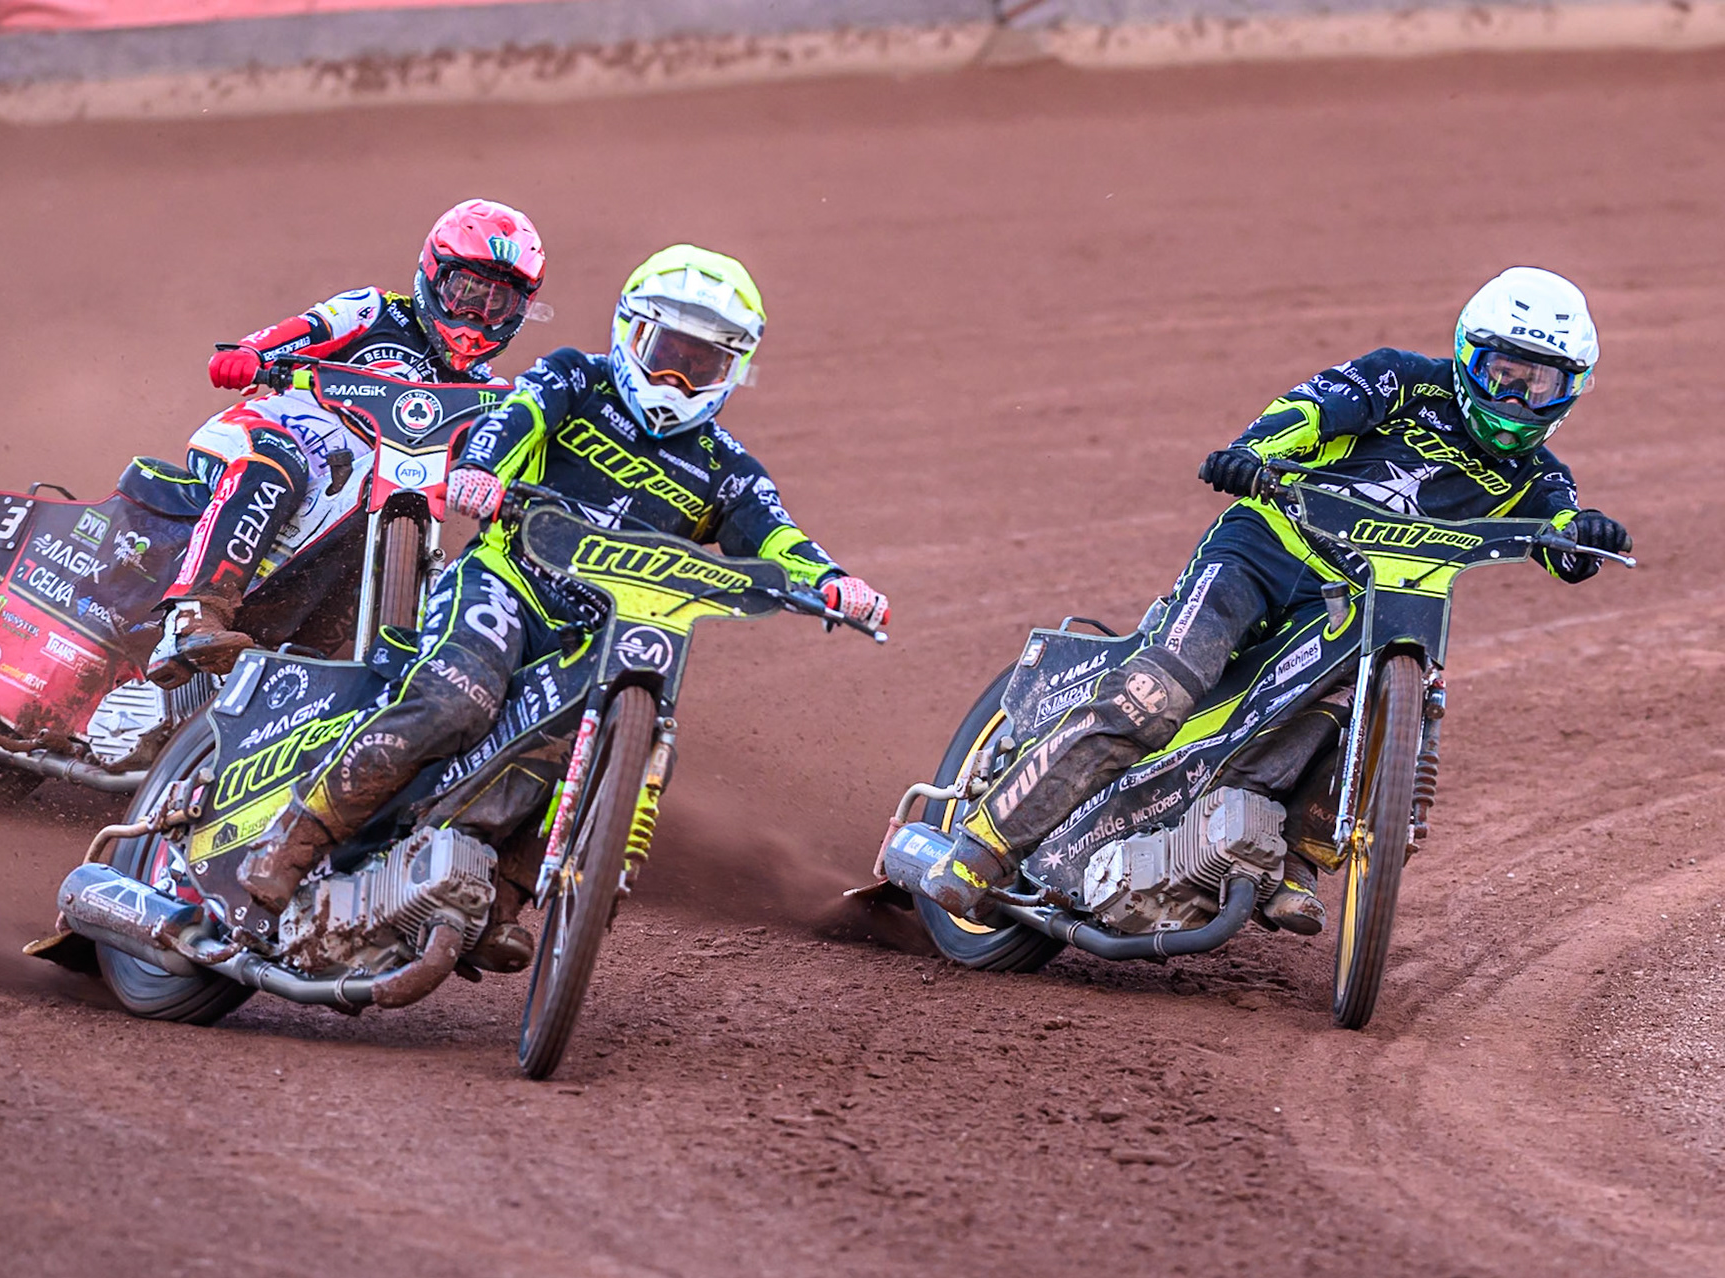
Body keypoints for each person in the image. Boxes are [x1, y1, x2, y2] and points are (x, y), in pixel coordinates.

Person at [914, 266, 1632, 932]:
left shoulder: (1539, 476)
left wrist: (1585, 535)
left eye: (1539, 385)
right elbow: (1311, 411)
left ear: (1571, 391)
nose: (1515, 399)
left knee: (1353, 705)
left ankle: (1290, 855)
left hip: (1352, 601)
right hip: (1265, 547)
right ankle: (982, 846)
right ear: (1468, 355)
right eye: (1502, 373)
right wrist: (1254, 450)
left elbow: (1562, 536)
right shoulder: (1404, 379)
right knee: (1157, 695)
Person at [235, 243, 891, 971]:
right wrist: (481, 470)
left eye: (701, 364)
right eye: (667, 353)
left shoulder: (724, 467)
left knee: (586, 740)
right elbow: (514, 418)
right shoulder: (577, 378)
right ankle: (294, 840)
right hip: (506, 583)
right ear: (631, 332)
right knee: (457, 696)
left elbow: (777, 536)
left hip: (598, 635)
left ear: (731, 371)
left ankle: (501, 899)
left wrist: (835, 583)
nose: (676, 378)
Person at [139, 198, 548, 687]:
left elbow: (508, 455)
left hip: (360, 491)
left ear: (518, 311)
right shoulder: (375, 310)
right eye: (465, 291)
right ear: (433, 275)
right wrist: (250, 354)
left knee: (372, 538)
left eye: (496, 303)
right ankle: (190, 615)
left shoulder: (488, 393)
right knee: (274, 466)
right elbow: (305, 330)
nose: (475, 313)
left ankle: (293, 678)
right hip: (267, 434)